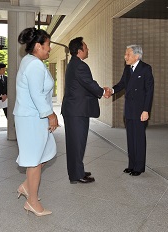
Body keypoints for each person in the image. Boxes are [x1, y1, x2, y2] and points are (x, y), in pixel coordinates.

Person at [13, 27, 59, 216]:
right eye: (47, 45)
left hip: (33, 117)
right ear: (38, 46)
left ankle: (26, 187)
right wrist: (51, 115)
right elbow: (37, 95)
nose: (49, 49)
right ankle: (32, 202)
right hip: (32, 118)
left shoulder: (31, 61)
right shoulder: (34, 65)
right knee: (34, 161)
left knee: (41, 155)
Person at [61, 37, 110, 184]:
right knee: (77, 143)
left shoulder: (74, 64)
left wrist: (100, 90)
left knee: (75, 143)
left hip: (74, 110)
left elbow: (85, 85)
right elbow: (89, 83)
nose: (88, 49)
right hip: (77, 112)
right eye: (86, 47)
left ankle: (77, 171)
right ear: (80, 50)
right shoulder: (80, 66)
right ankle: (77, 175)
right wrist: (103, 92)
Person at [110, 44, 154, 176]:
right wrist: (111, 90)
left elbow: (149, 91)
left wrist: (146, 110)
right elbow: (122, 84)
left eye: (128, 54)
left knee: (139, 139)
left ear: (137, 56)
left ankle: (139, 167)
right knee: (130, 138)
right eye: (125, 54)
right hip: (129, 109)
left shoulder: (146, 69)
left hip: (140, 110)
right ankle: (131, 164)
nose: (125, 57)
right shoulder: (127, 69)